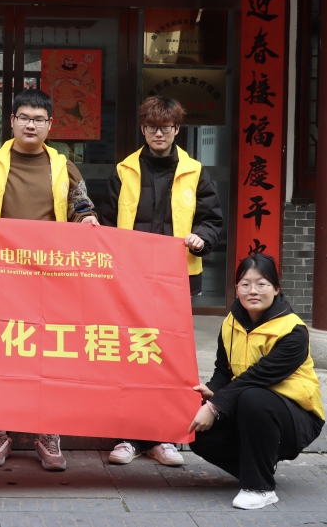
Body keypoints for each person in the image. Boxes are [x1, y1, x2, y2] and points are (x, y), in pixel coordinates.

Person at [0, 87, 99, 471]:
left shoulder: (65, 168)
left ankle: (48, 432)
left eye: (39, 119)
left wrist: (87, 220)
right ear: (12, 121)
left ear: (50, 124)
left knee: (49, 357)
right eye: (24, 118)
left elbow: (82, 207)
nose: (31, 125)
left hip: (50, 281)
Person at [101, 95, 223, 467]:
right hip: (130, 278)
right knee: (129, 354)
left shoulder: (195, 171)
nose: (159, 133)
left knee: (168, 357)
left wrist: (202, 237)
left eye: (166, 127)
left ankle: (164, 437)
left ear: (176, 130)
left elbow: (212, 219)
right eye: (152, 127)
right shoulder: (124, 171)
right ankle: (127, 437)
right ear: (143, 129)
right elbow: (106, 223)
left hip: (177, 278)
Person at [187, 253, 325, 510]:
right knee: (196, 431)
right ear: (236, 288)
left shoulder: (293, 331)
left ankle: (260, 488)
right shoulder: (230, 322)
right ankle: (259, 467)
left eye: (262, 284)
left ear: (276, 288)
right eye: (245, 284)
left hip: (295, 416)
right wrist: (212, 391)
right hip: (249, 408)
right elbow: (223, 371)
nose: (253, 291)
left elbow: (258, 377)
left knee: (254, 397)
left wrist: (216, 405)